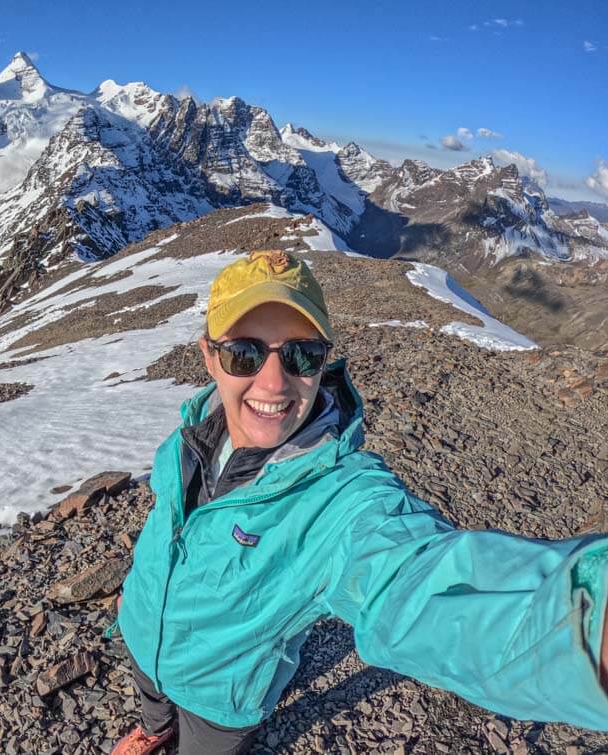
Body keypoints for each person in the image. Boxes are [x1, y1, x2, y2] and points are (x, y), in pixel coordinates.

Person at [110, 249, 608, 755]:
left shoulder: (343, 498)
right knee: (152, 702)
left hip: (219, 698)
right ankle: (154, 727)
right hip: (142, 632)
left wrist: (583, 622)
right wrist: (142, 591)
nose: (275, 382)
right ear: (209, 357)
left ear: (323, 362)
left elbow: (411, 579)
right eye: (245, 352)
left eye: (302, 354)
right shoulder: (191, 435)